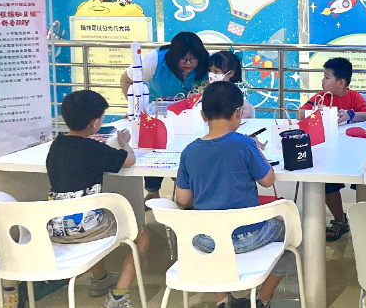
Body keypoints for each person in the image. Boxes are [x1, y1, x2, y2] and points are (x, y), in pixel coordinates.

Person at [175, 82, 287, 308]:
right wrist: (258, 151)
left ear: (203, 115)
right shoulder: (244, 144)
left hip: (205, 241)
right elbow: (268, 181)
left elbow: (183, 199)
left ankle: (223, 301)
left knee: (215, 236)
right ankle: (263, 299)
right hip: (250, 235)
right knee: (290, 232)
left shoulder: (189, 151)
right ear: (238, 112)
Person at [46, 90, 149, 308]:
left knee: (96, 215)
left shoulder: (55, 146)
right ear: (94, 123)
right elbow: (129, 160)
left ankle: (100, 279)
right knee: (142, 234)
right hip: (86, 228)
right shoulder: (92, 148)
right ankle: (119, 296)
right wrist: (124, 142)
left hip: (53, 228)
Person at [120, 31, 210, 200]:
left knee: (189, 154)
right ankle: (152, 193)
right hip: (158, 116)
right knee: (155, 150)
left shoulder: (208, 61)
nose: (189, 63)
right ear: (173, 57)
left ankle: (185, 194)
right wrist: (134, 107)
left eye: (193, 58)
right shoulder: (154, 60)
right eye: (183, 59)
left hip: (192, 120)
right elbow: (126, 80)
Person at [298, 57, 366, 241]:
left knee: (364, 182)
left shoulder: (354, 97)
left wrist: (351, 115)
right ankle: (340, 219)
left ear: (341, 82)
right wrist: (315, 111)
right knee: (327, 184)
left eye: (327, 77)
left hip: (353, 153)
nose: (323, 81)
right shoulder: (320, 97)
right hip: (328, 152)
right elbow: (299, 113)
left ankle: (365, 225)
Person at [208, 50, 255, 118]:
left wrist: (230, 120)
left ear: (230, 73)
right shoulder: (209, 89)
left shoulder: (238, 89)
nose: (211, 74)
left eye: (216, 71)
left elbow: (247, 112)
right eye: (210, 71)